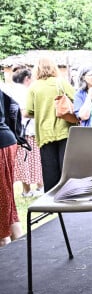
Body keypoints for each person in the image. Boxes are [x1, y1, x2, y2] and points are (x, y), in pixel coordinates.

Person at [25, 57, 76, 193]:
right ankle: (69, 198)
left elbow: (28, 112)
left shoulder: (34, 87)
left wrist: (42, 110)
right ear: (54, 68)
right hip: (65, 131)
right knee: (66, 168)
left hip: (44, 133)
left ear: (37, 69)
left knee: (49, 170)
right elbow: (75, 102)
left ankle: (52, 202)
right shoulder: (61, 83)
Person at [11, 65, 44, 197]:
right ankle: (39, 187)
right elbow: (25, 112)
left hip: (17, 132)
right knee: (35, 159)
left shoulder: (10, 90)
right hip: (29, 131)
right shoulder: (26, 91)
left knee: (23, 161)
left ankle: (26, 190)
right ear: (27, 78)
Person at [0, 87, 24, 247]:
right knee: (7, 201)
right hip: (6, 140)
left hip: (2, 143)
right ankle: (21, 250)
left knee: (3, 202)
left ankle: (6, 245)